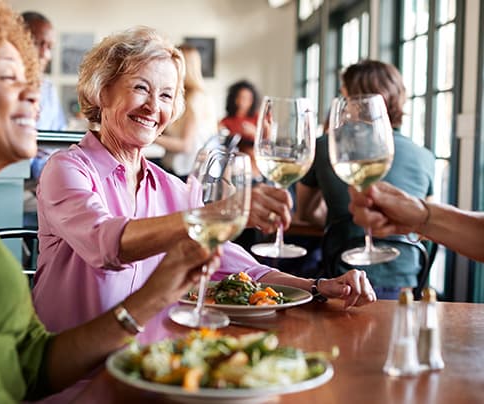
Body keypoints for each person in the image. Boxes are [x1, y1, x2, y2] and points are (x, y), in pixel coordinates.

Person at [0, 2, 216, 402]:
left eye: (29, 77)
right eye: (8, 77)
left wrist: (154, 297)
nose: (32, 91)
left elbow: (34, 362)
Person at [32, 26, 376, 336]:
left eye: (166, 95)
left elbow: (233, 264)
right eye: (141, 88)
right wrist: (222, 212)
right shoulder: (66, 169)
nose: (154, 106)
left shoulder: (175, 189)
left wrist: (315, 286)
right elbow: (106, 244)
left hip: (152, 365)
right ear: (101, 93)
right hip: (72, 372)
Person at [296, 60, 436, 299]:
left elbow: (306, 212)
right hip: (408, 284)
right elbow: (427, 230)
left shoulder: (326, 147)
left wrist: (346, 223)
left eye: (343, 94)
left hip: (344, 281)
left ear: (353, 99)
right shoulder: (425, 156)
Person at [349, 182, 484, 262]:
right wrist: (421, 218)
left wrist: (422, 218)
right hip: (408, 274)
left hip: (342, 274)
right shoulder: (426, 155)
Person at [154, 44, 218, 179]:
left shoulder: (196, 98)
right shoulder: (181, 95)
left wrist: (149, 137)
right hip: (176, 168)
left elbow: (185, 145)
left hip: (188, 172)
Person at [21, 11, 66, 131]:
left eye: (49, 47)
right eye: (37, 43)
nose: (45, 54)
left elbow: (59, 132)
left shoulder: (49, 89)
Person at [218, 79, 261, 180]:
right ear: (234, 99)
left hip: (254, 164)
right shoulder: (225, 121)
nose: (243, 102)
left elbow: (267, 144)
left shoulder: (257, 118)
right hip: (233, 164)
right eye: (241, 97)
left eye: (247, 99)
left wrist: (254, 133)